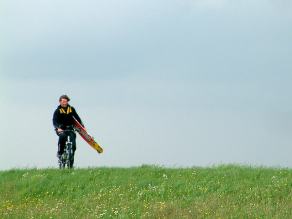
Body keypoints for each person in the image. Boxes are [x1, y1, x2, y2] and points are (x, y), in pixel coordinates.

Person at [52, 95, 84, 167]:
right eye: (63, 101)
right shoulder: (57, 111)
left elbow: (77, 118)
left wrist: (82, 127)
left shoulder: (71, 109)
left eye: (66, 101)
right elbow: (54, 121)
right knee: (62, 137)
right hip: (61, 129)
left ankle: (71, 160)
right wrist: (57, 128)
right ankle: (60, 153)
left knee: (74, 146)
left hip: (70, 129)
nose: (64, 103)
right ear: (60, 101)